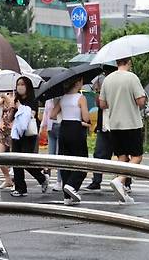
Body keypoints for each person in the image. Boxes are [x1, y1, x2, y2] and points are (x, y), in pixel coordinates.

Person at [99, 57, 146, 204]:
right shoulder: (132, 77)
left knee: (122, 158)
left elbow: (102, 104)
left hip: (115, 124)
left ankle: (123, 192)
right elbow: (140, 101)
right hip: (131, 123)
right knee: (137, 156)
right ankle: (119, 180)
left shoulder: (108, 79)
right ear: (129, 62)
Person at [50, 77, 91, 205]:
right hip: (76, 129)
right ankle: (72, 185)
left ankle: (66, 196)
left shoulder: (63, 98)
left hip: (64, 128)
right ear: (78, 82)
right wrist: (86, 120)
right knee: (82, 160)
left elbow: (52, 115)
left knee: (65, 161)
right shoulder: (81, 98)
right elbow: (85, 117)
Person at [10, 76, 48, 197]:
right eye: (18, 84)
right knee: (16, 161)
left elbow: (30, 115)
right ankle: (20, 188)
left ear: (28, 86)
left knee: (25, 161)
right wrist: (12, 107)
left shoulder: (33, 100)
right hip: (17, 134)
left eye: (22, 84)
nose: (20, 87)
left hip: (29, 134)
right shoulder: (15, 100)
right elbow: (11, 118)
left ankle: (42, 178)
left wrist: (20, 107)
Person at [0, 91, 15, 189]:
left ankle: (18, 182)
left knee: (15, 158)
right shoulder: (5, 97)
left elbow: (12, 105)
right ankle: (8, 179)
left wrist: (5, 98)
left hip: (14, 130)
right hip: (2, 130)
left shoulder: (17, 97)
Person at [40, 97, 62, 191]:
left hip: (60, 125)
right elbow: (46, 113)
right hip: (50, 127)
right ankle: (46, 178)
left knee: (59, 155)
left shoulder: (62, 98)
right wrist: (42, 126)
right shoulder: (48, 100)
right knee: (51, 156)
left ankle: (59, 181)